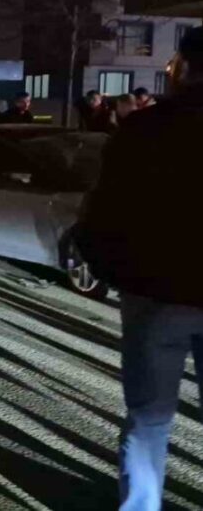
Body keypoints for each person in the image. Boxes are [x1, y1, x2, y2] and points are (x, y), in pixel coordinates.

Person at [76, 26, 203, 510]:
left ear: (184, 69)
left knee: (149, 418)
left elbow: (102, 214)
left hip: (155, 296)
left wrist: (115, 273)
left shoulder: (144, 130)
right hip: (158, 291)